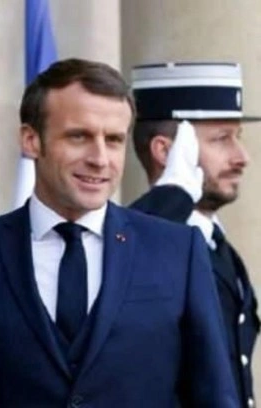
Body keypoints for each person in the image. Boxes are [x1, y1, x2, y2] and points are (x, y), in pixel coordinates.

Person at [0, 58, 238, 407]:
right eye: (79, 137)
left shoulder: (177, 252)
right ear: (31, 140)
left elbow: (214, 398)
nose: (100, 158)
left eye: (113, 140)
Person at [129, 61, 259, 408]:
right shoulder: (146, 244)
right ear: (166, 152)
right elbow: (118, 258)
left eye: (238, 138)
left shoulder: (217, 245)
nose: (242, 157)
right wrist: (173, 195)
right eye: (221, 139)